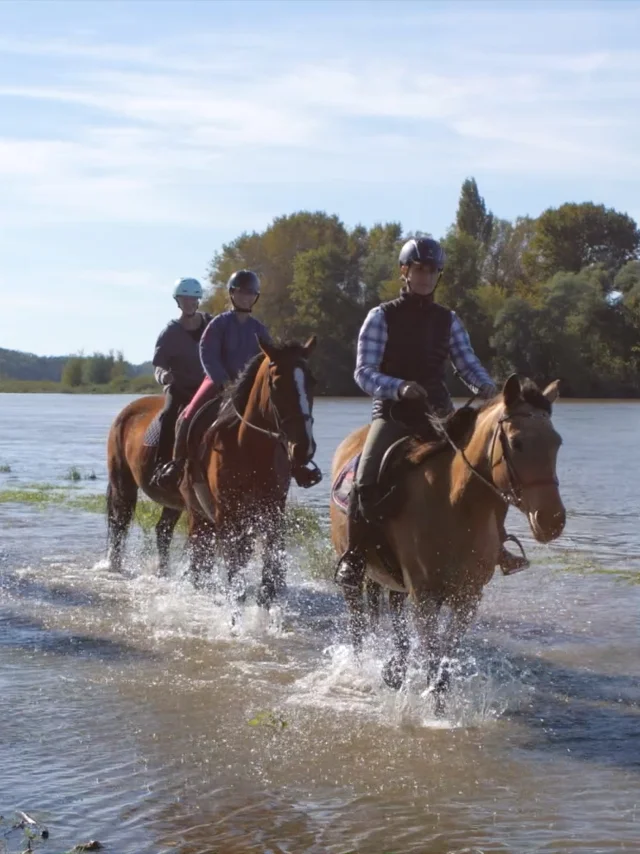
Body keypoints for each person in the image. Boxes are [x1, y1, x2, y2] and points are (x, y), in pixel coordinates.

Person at [334, 236, 529, 591]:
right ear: (404, 272)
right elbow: (363, 372)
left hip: (440, 415)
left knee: (488, 469)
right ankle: (356, 557)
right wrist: (399, 387)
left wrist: (490, 390)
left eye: (432, 271)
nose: (425, 277)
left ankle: (497, 545)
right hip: (394, 415)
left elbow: (468, 364)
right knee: (364, 481)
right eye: (419, 269)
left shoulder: (448, 320)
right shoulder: (380, 316)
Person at [153, 269, 321, 490]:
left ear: (255, 297)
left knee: (279, 417)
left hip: (250, 388)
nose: (245, 297)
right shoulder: (219, 324)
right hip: (218, 382)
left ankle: (295, 466)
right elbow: (207, 352)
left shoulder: (259, 329)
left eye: (250, 293)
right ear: (232, 295)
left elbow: (269, 360)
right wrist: (222, 380)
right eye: (241, 293)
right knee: (187, 415)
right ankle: (177, 465)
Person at [150, 277, 212, 486]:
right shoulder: (170, 333)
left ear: (199, 301)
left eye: (193, 299)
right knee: (168, 415)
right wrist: (163, 377)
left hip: (207, 388)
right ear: (178, 301)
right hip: (180, 388)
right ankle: (162, 464)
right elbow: (157, 366)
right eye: (185, 299)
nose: (189, 303)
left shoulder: (211, 325)